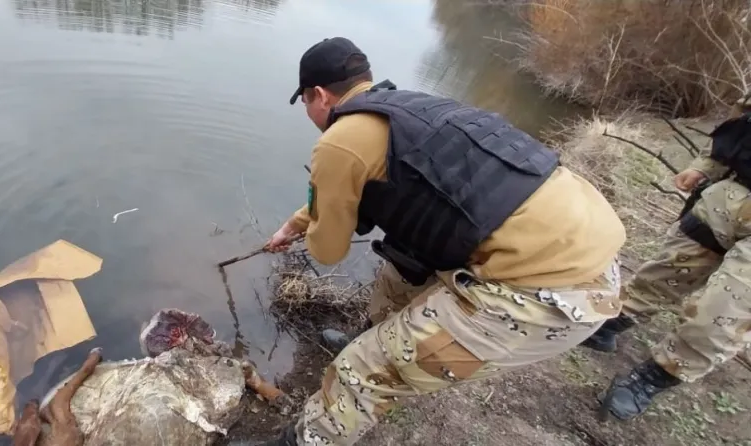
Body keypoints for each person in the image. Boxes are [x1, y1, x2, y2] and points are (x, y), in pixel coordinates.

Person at [250, 36, 627, 446]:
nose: (309, 112)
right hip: (588, 236)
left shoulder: (338, 140)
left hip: (553, 290)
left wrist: (318, 220)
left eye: (305, 102)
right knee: (400, 271)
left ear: (318, 95)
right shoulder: (408, 108)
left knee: (360, 371)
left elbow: (328, 252)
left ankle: (304, 437)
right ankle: (377, 340)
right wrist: (294, 225)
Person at [582, 94, 751, 422]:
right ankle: (607, 324)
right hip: (728, 199)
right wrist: (705, 166)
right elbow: (739, 123)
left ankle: (653, 377)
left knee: (724, 315)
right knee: (665, 271)